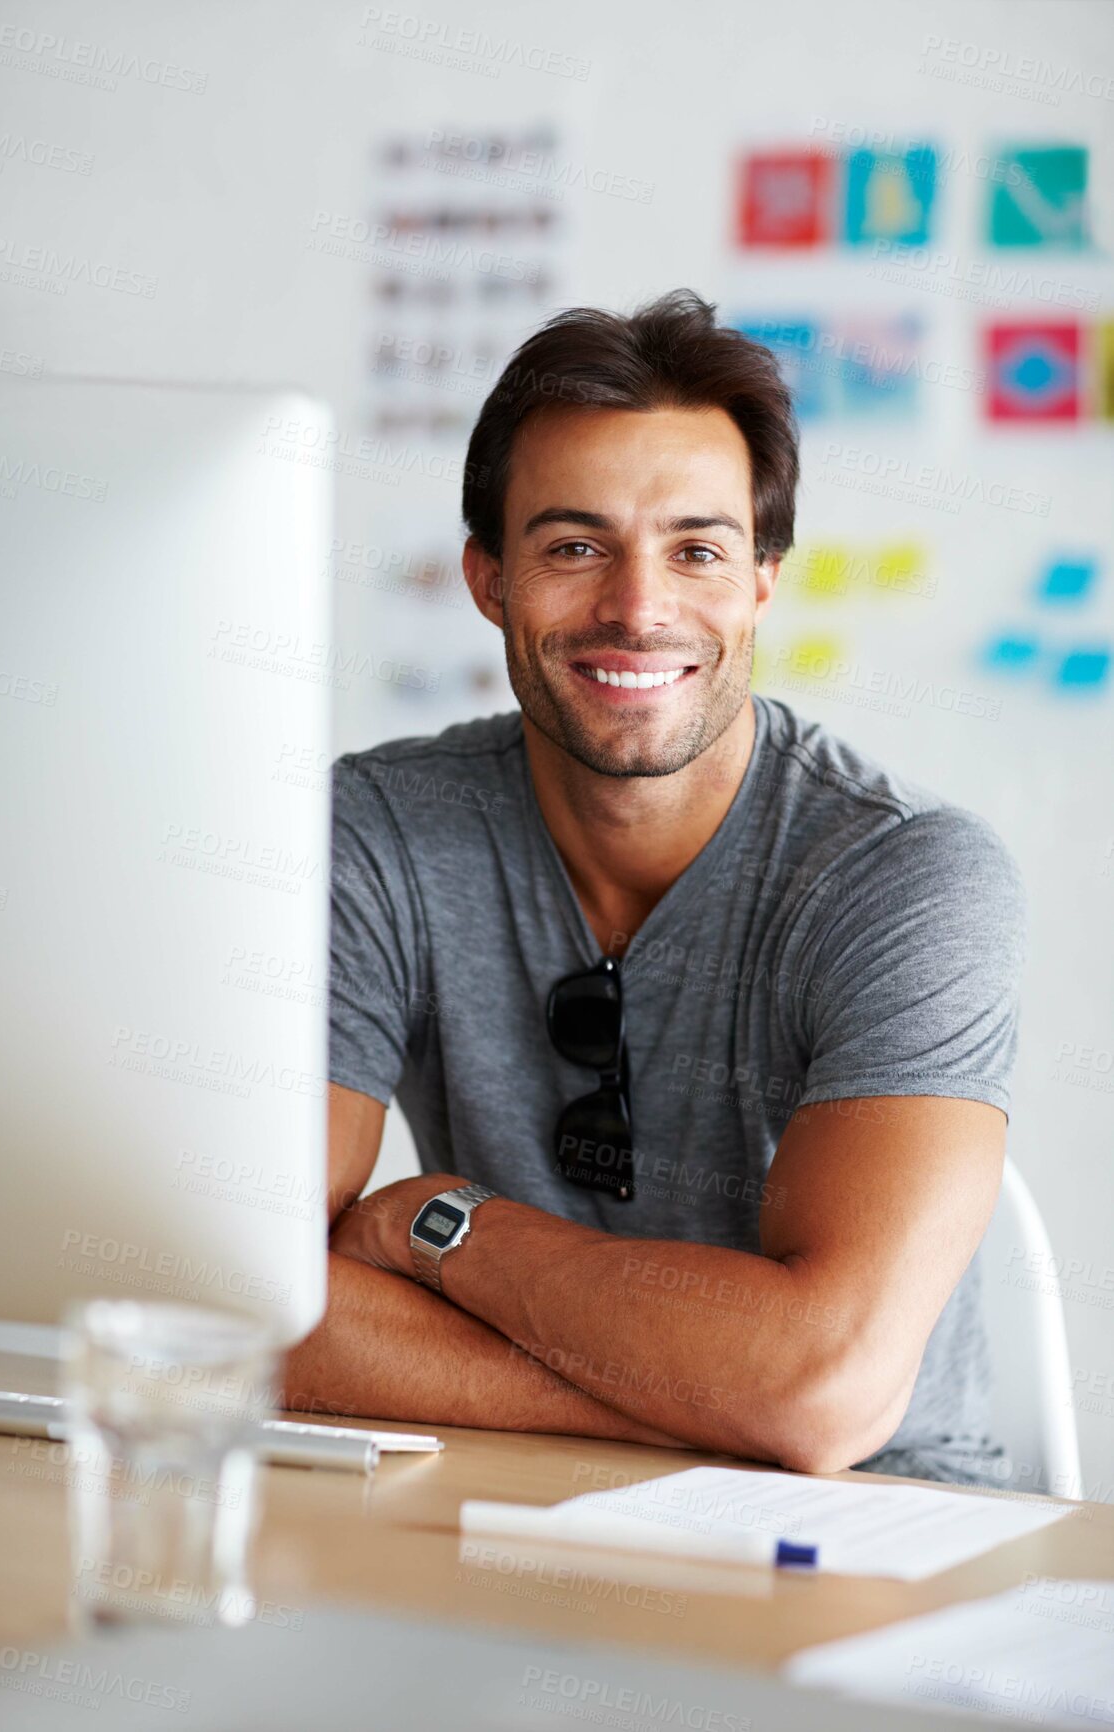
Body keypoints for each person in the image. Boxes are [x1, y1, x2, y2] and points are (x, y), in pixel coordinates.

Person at [285, 288, 1026, 1484]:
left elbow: (827, 1395)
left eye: (697, 550)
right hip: (505, 1498)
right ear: (488, 579)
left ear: (765, 581)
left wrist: (448, 1226)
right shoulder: (373, 833)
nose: (638, 607)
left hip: (878, 1525)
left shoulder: (907, 874)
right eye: (575, 547)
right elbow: (257, 1303)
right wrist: (717, 1406)